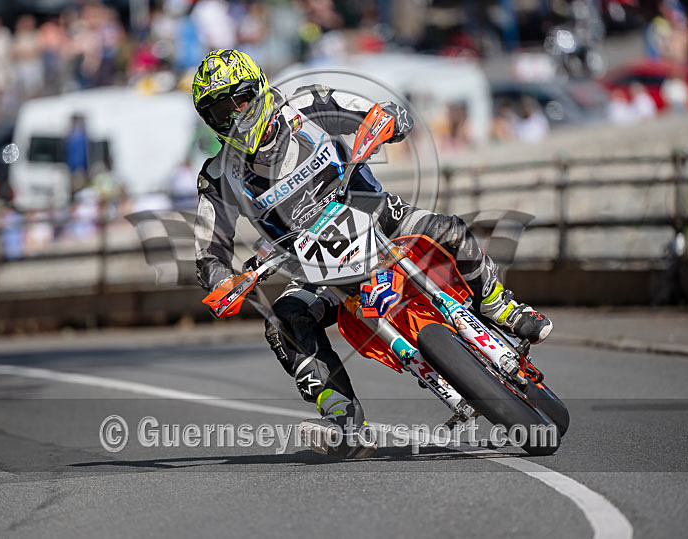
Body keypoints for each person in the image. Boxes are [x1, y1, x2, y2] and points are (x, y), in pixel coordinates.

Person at [191, 49, 553, 458]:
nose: (234, 116)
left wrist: (387, 120)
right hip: (316, 269)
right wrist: (223, 282)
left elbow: (380, 112)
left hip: (381, 218)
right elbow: (209, 251)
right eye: (221, 111)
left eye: (239, 101)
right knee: (284, 322)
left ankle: (499, 305)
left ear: (258, 90)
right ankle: (343, 418)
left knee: (448, 230)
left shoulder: (310, 105)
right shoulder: (218, 176)